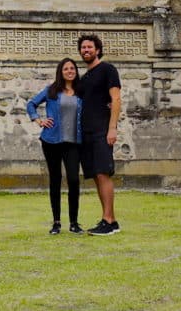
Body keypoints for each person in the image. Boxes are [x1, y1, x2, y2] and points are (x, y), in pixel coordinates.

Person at [26, 58, 84, 235]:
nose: (69, 71)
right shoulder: (51, 90)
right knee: (55, 179)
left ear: (75, 71)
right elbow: (31, 104)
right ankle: (56, 223)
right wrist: (39, 120)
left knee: (73, 180)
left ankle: (74, 223)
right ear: (61, 71)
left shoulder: (82, 92)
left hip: (73, 142)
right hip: (51, 141)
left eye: (72, 68)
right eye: (66, 68)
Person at [76, 34, 122, 235]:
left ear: (98, 50)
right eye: (83, 48)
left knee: (103, 173)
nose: (86, 50)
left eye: (89, 47)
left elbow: (116, 98)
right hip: (86, 133)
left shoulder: (108, 70)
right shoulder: (84, 78)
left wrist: (112, 128)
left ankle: (109, 220)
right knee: (96, 176)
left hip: (102, 131)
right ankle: (108, 219)